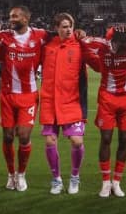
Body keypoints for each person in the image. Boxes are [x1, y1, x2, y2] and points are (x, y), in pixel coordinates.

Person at [0, 6, 51, 191]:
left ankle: (22, 174)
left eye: (15, 16)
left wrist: (79, 33)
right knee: (8, 137)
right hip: (8, 96)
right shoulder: (2, 37)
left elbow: (60, 34)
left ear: (26, 18)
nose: (11, 19)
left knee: (24, 136)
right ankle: (11, 174)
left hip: (29, 95)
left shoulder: (40, 35)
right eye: (10, 16)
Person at [83, 24, 126, 198]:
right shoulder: (101, 44)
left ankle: (117, 182)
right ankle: (106, 182)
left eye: (125, 42)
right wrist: (79, 34)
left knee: (124, 138)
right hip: (107, 98)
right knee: (106, 138)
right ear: (112, 40)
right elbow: (81, 42)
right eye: (120, 42)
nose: (123, 45)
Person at [38, 12, 88, 194]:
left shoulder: (80, 44)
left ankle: (75, 177)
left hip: (71, 101)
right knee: (50, 141)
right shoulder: (47, 46)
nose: (68, 30)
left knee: (76, 141)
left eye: (70, 26)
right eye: (64, 27)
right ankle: (56, 179)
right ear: (56, 28)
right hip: (49, 102)